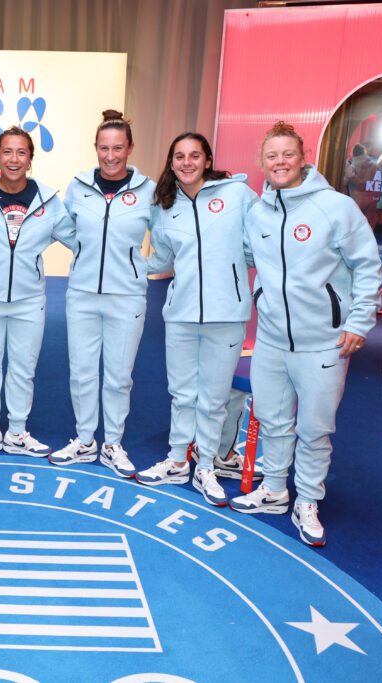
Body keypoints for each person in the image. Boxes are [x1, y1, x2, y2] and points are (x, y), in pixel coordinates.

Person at [231, 121, 382, 547]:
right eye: (271, 156)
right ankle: (276, 489)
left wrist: (357, 322)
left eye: (287, 155)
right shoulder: (258, 212)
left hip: (324, 342)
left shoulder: (334, 207)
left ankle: (309, 500)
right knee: (273, 420)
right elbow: (245, 255)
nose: (279, 162)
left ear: (303, 159)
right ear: (263, 163)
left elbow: (368, 266)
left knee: (315, 429)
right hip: (272, 340)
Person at [134, 133, 259, 506]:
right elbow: (160, 259)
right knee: (182, 393)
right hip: (182, 314)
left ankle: (206, 464)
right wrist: (119, 262)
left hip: (228, 314)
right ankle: (176, 460)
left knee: (214, 396)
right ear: (171, 163)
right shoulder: (165, 205)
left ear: (207, 160)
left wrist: (233, 277)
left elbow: (256, 247)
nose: (186, 163)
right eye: (179, 157)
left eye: (194, 156)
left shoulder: (237, 196)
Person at [0, 126, 74, 458]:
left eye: (21, 152)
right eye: (7, 152)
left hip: (28, 299)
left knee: (23, 368)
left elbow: (78, 239)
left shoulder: (48, 201)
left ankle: (18, 431)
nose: (14, 159)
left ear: (31, 159)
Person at [48, 111, 153, 479]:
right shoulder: (78, 186)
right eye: (104, 148)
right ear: (95, 148)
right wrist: (82, 254)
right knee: (81, 373)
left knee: (119, 376)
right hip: (82, 294)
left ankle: (113, 443)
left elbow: (169, 234)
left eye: (118, 148)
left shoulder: (148, 191)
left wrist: (142, 267)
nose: (111, 156)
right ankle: (84, 439)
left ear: (130, 148)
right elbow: (62, 226)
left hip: (127, 297)